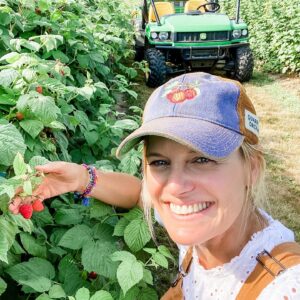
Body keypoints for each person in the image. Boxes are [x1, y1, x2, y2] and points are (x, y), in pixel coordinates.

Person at [9, 72, 300, 299]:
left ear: (252, 168)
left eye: (201, 159)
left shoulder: (284, 287)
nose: (175, 187)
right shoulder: (204, 224)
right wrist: (81, 178)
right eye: (160, 162)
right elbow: (140, 193)